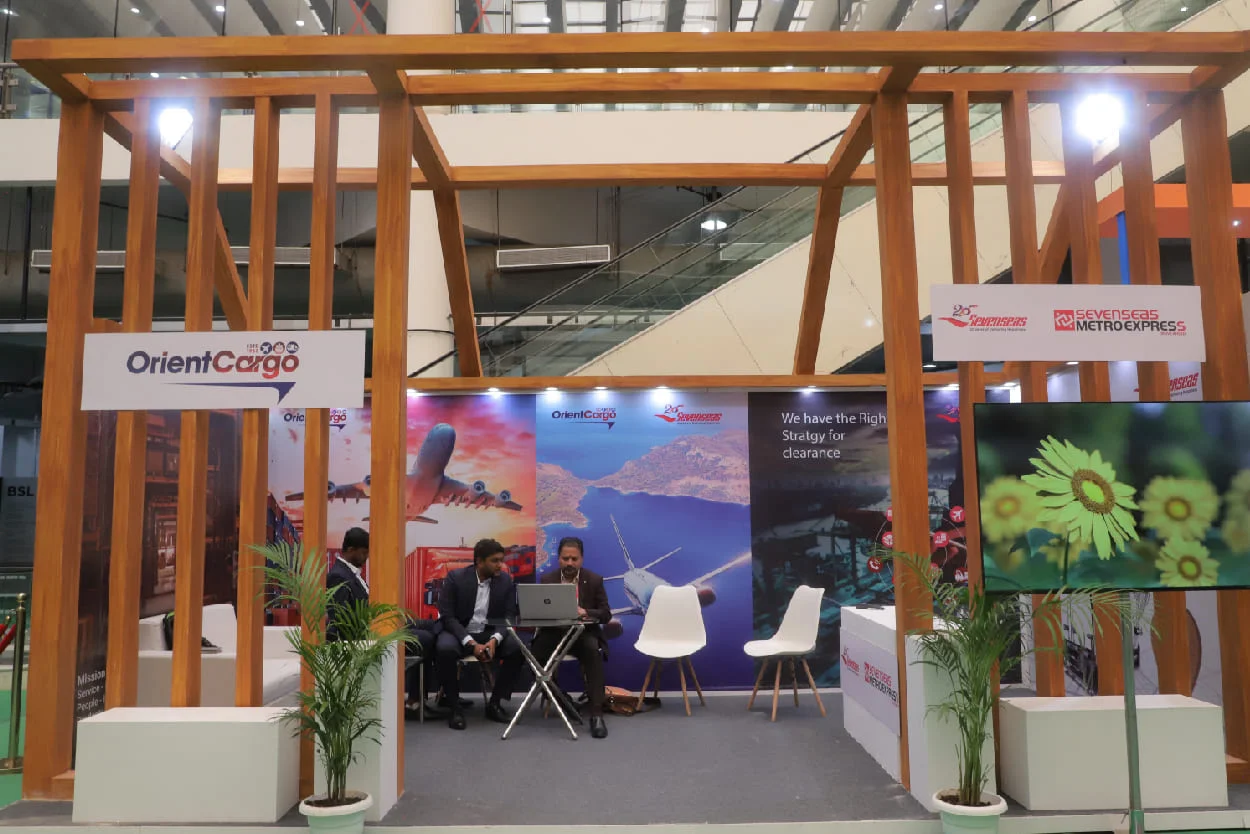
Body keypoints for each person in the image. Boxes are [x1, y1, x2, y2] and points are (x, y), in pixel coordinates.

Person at [326, 527, 439, 717]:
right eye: (364, 552)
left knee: (434, 626)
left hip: (378, 625)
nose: (367, 557)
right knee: (426, 639)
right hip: (368, 634)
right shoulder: (338, 575)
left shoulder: (350, 573)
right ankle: (414, 701)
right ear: (351, 550)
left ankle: (422, 698)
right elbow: (341, 618)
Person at [435, 538, 524, 730]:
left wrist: (495, 639)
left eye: (501, 560)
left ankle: (495, 703)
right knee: (444, 649)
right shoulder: (456, 578)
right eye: (495, 560)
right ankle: (454, 707)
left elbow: (509, 616)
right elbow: (448, 617)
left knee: (517, 648)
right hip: (460, 633)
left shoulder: (505, 581)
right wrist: (471, 643)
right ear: (479, 561)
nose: (500, 565)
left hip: (489, 633)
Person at [530, 536, 611, 739]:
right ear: (559, 558)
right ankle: (563, 700)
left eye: (574, 559)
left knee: (592, 651)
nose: (569, 563)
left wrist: (586, 612)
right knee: (533, 656)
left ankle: (596, 715)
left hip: (582, 635)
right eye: (565, 558)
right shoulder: (547, 580)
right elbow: (539, 610)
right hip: (554, 634)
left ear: (581, 559)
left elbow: (606, 614)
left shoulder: (594, 580)